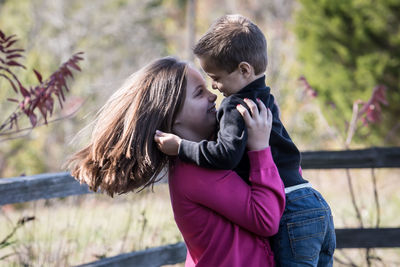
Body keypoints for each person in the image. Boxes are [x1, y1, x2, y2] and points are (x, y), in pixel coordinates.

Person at [65, 57, 286, 266]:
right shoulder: (196, 171)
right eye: (199, 93)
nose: (213, 96)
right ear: (173, 115)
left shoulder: (211, 154)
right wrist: (260, 150)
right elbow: (265, 219)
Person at [155, 15, 336, 266]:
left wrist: (182, 147)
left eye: (216, 78)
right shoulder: (265, 99)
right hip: (313, 203)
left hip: (290, 211)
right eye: (202, 89)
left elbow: (224, 155)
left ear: (243, 69)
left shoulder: (235, 107)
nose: (214, 89)